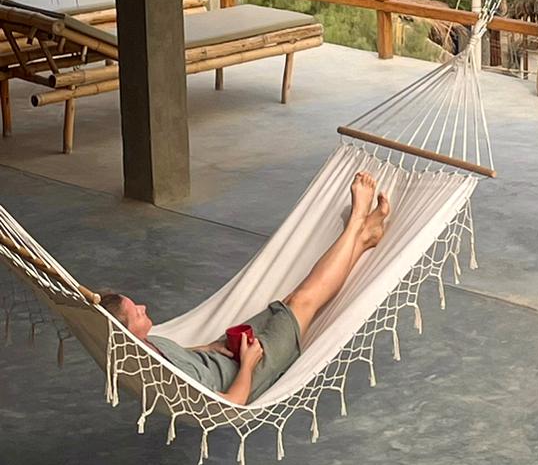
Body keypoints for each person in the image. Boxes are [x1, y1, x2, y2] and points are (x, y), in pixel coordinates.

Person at [99, 171, 391, 406]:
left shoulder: (146, 346)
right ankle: (357, 223)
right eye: (136, 312)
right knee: (303, 301)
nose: (144, 308)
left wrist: (208, 347)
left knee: (290, 301)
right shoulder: (164, 377)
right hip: (246, 374)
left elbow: (180, 358)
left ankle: (365, 236)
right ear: (127, 332)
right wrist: (249, 365)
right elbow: (229, 403)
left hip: (228, 355)